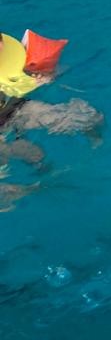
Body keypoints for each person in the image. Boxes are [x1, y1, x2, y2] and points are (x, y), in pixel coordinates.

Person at [1, 30, 103, 212]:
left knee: (87, 117)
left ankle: (97, 149)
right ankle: (30, 186)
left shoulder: (14, 57)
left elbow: (60, 69)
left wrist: (45, 76)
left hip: (19, 110)